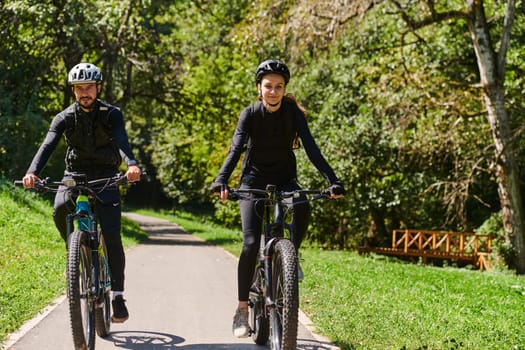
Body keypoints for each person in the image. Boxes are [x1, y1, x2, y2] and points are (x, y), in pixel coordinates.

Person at [211, 59, 345, 338]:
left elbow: (312, 149)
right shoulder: (249, 114)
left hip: (285, 179)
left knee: (302, 204)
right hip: (252, 182)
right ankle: (242, 309)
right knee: (250, 243)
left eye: (279, 87)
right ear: (259, 89)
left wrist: (332, 179)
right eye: (268, 86)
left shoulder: (294, 114)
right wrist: (222, 179)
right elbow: (236, 150)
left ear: (285, 90)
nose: (273, 91)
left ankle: (290, 256)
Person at [22, 62, 141, 323]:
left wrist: (131, 164)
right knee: (59, 207)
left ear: (98, 88)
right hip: (74, 176)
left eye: (89, 87)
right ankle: (74, 253)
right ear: (74, 91)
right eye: (79, 88)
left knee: (111, 235)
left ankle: (118, 296)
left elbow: (121, 140)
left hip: (107, 177)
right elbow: (47, 145)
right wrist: (32, 172)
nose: (84, 92)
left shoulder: (112, 114)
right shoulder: (64, 117)